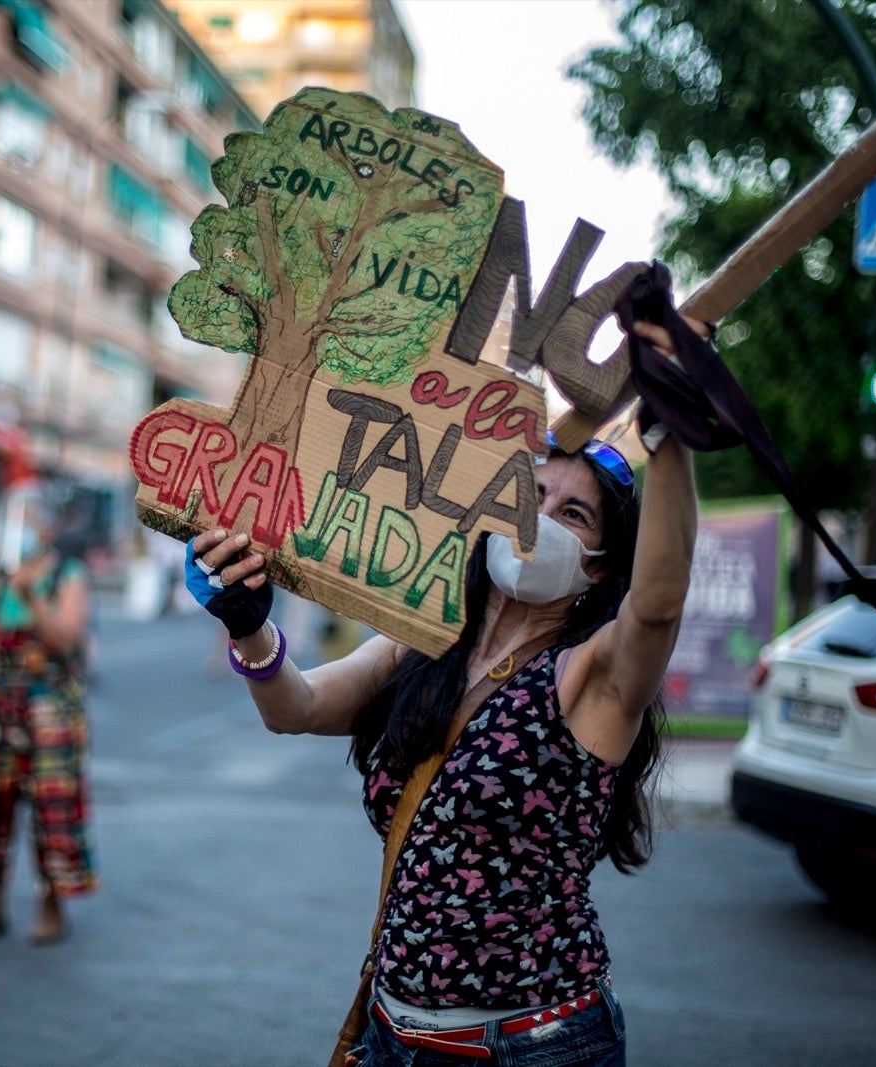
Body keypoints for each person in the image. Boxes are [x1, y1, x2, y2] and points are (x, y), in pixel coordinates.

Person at [186, 313, 703, 1066]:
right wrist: (249, 626)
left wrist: (672, 435)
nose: (539, 521)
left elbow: (657, 603)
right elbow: (296, 708)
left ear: (596, 563)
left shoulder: (591, 674)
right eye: (527, 495)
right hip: (392, 1035)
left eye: (573, 513)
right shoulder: (424, 640)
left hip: (529, 1047)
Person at [0, 498, 96, 945]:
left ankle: (51, 908)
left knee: (52, 813)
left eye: (33, 522)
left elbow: (66, 640)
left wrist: (32, 596)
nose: (24, 530)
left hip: (50, 709)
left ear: (49, 531)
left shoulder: (66, 576)